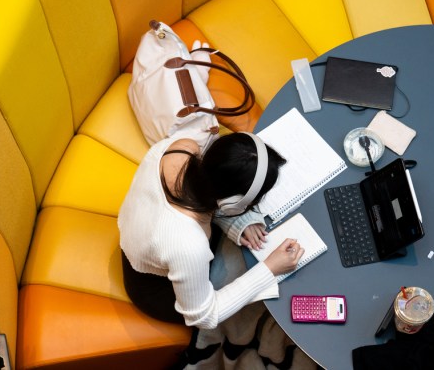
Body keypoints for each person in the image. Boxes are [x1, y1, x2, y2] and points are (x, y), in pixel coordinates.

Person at [117, 131, 304, 335]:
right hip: (156, 289)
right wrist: (270, 269)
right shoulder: (188, 243)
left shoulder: (184, 148)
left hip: (146, 241)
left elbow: (204, 190)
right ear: (231, 204)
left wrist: (238, 219)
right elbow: (203, 316)